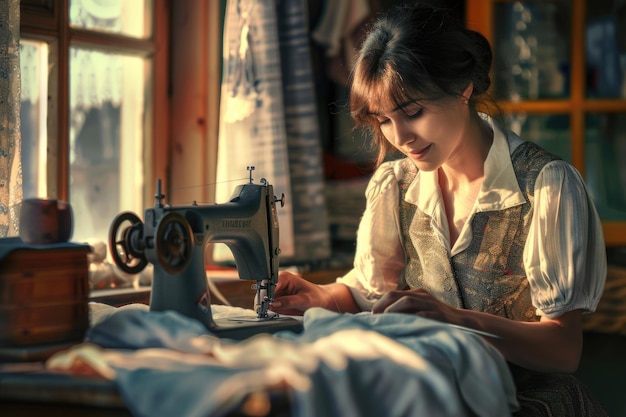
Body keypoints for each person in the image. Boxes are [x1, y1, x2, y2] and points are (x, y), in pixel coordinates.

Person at [270, 2, 608, 416]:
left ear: (463, 87)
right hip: (440, 397)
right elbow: (369, 292)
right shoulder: (398, 186)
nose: (401, 137)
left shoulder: (546, 186)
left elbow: (562, 351)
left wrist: (455, 318)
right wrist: (321, 295)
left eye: (413, 113)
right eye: (383, 121)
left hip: (531, 405)